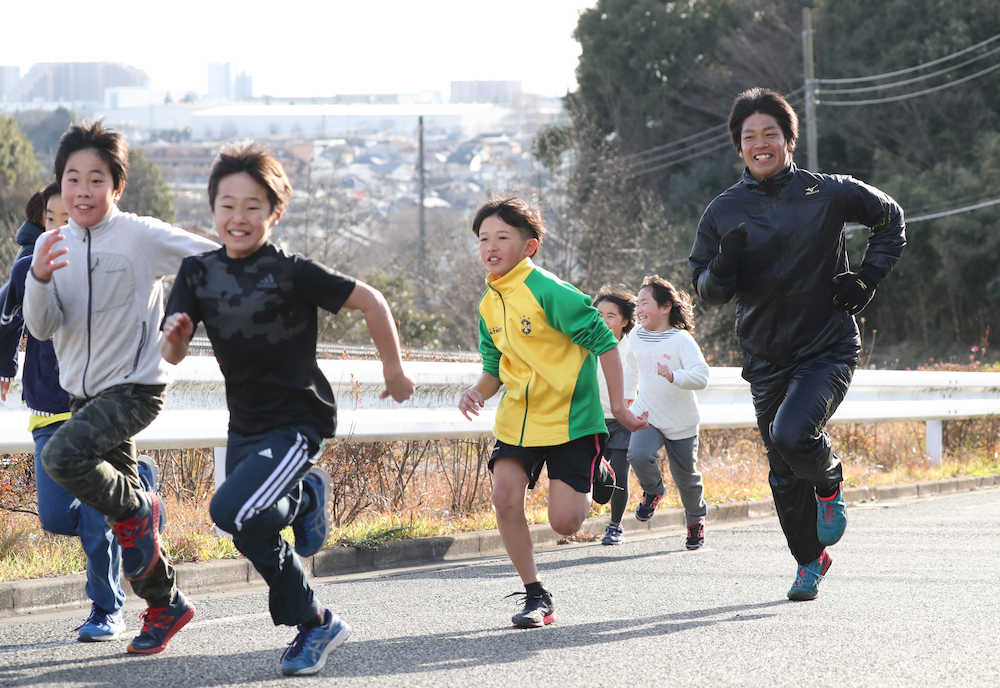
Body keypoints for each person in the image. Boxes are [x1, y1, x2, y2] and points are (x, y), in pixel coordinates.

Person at [161, 142, 415, 676]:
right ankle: (313, 592)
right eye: (227, 204)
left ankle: (311, 611)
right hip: (246, 427)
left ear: (275, 213)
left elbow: (371, 300)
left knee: (228, 512)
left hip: (299, 422)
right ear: (212, 210)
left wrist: (394, 371)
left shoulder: (292, 272)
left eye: (253, 206)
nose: (238, 217)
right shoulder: (197, 273)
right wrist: (176, 337)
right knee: (251, 526)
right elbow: (173, 351)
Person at [689, 87, 905, 600]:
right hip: (765, 356)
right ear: (739, 148)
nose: (760, 144)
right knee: (783, 473)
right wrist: (722, 266)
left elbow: (890, 219)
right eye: (749, 137)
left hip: (827, 345)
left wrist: (867, 278)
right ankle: (810, 560)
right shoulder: (723, 210)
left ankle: (830, 481)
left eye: (770, 134)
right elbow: (705, 290)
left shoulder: (827, 191)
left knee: (792, 433)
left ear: (789, 140)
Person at [23, 121, 219, 653]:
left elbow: (212, 260)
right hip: (83, 396)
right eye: (72, 179)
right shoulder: (51, 244)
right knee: (124, 524)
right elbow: (40, 327)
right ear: (59, 184)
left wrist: (186, 314)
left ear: (117, 187)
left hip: (135, 387)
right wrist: (38, 279)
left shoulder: (140, 236)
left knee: (63, 458)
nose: (82, 191)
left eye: (96, 179)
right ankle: (166, 604)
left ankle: (139, 506)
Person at [458, 197, 647, 629]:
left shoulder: (551, 292)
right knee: (505, 500)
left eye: (502, 237)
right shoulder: (489, 302)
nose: (491, 246)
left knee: (565, 522)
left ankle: (597, 467)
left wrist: (617, 406)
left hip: (571, 421)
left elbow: (606, 343)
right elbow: (494, 369)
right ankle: (535, 594)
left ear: (529, 246)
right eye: (484, 238)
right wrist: (477, 391)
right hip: (518, 419)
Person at [0, 182, 159, 641]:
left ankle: (106, 609)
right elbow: (8, 317)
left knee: (94, 516)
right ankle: (138, 490)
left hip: (98, 408)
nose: (62, 224)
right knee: (54, 517)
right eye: (52, 217)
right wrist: (6, 364)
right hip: (49, 408)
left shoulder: (105, 265)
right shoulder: (30, 267)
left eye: (70, 215)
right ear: (42, 222)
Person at [624, 275, 710, 550]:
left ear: (665, 307)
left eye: (644, 303)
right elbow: (628, 367)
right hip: (648, 413)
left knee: (686, 477)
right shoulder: (635, 335)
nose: (638, 309)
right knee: (637, 455)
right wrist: (627, 399)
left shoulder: (680, 340)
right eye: (637, 304)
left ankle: (695, 521)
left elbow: (701, 377)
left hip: (681, 420)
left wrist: (674, 375)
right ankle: (653, 491)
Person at [592, 286, 638, 546]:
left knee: (620, 473)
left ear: (624, 321)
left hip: (622, 421)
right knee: (596, 483)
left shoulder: (632, 348)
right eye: (599, 314)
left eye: (610, 315)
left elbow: (637, 381)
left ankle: (615, 525)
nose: (603, 320)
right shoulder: (586, 345)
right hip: (592, 420)